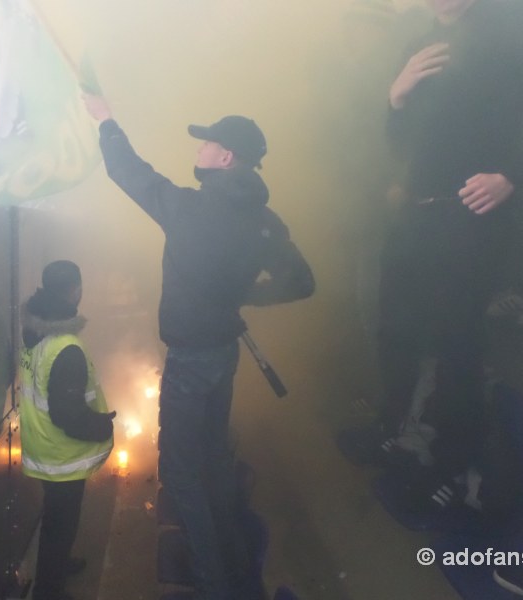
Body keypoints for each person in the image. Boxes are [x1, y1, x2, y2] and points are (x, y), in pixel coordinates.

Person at [82, 95, 315, 600]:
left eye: (209, 141)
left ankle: (216, 585)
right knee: (209, 461)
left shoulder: (190, 209)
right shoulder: (266, 221)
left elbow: (129, 172)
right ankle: (231, 557)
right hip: (224, 355)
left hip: (190, 364)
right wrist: (245, 294)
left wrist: (106, 121)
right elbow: (301, 282)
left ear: (226, 157)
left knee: (184, 475)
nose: (202, 148)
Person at [339, 0, 523, 509]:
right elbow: (396, 139)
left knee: (456, 345)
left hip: (468, 219)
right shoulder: (417, 32)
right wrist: (394, 99)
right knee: (392, 328)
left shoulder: (519, 23)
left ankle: (452, 465)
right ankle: (394, 428)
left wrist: (512, 176)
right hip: (412, 216)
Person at [18, 260, 115, 600]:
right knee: (62, 525)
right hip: (61, 454)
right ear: (76, 290)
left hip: (42, 443)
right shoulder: (67, 348)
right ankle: (49, 591)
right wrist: (103, 425)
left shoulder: (35, 330)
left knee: (57, 521)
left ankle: (55, 567)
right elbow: (68, 415)